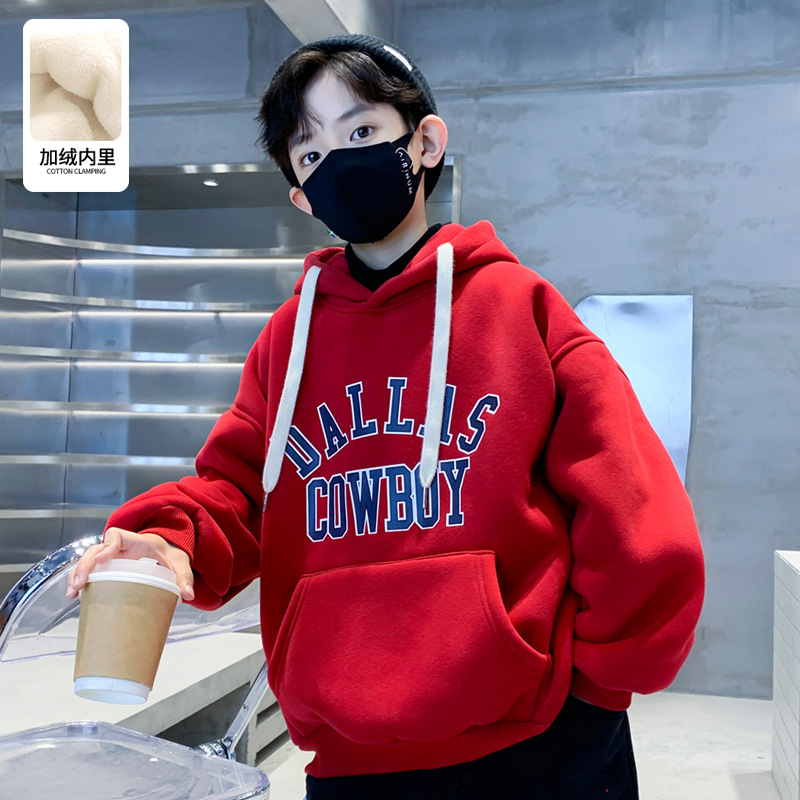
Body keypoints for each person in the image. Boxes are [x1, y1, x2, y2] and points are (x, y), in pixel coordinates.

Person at [67, 34, 705, 799]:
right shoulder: (287, 342)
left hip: (539, 738)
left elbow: (631, 503)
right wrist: (170, 539)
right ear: (302, 197)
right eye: (311, 153)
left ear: (426, 142)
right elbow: (236, 489)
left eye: (362, 131)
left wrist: (603, 684)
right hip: (352, 754)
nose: (339, 161)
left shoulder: (521, 309)